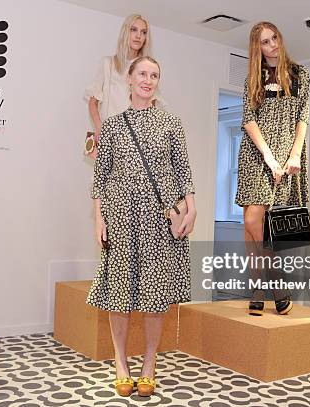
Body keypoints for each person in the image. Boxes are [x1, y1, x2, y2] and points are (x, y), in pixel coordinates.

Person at [86, 56, 196, 397]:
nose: (148, 80)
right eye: (142, 74)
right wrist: (99, 218)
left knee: (154, 295)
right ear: (130, 80)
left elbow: (183, 171)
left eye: (154, 75)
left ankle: (149, 364)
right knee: (119, 295)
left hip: (159, 220)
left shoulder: (171, 121)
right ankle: (120, 362)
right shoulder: (114, 125)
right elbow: (100, 177)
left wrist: (191, 208)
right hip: (120, 217)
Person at [235, 21, 310, 316]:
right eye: (265, 42)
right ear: (257, 48)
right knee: (253, 221)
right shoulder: (252, 79)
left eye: (274, 38)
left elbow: (303, 118)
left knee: (265, 228)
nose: (272, 45)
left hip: (287, 155)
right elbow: (248, 119)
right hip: (257, 154)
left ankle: (256, 289)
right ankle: (276, 284)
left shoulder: (299, 74)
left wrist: (294, 156)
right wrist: (268, 157)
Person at [84, 14, 165, 159]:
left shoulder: (147, 70)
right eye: (134, 30)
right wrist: (99, 128)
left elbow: (151, 106)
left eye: (143, 32)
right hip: (110, 136)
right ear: (125, 32)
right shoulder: (107, 64)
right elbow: (93, 102)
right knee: (103, 180)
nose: (138, 36)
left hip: (135, 139)